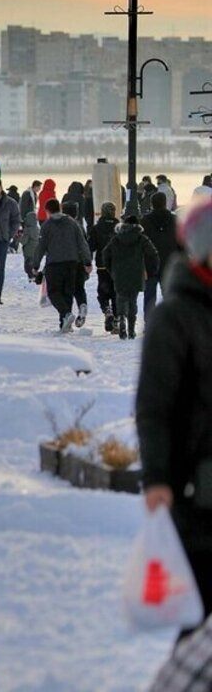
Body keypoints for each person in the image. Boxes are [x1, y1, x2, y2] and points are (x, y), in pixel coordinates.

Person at [135, 198, 212, 640]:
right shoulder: (175, 317)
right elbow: (154, 406)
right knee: (199, 622)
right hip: (196, 492)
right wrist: (159, 479)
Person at [31, 198, 92, 332]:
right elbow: (82, 243)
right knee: (67, 292)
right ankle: (65, 323)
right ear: (60, 208)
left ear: (47, 211)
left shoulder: (47, 226)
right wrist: (87, 261)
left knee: (54, 292)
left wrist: (35, 266)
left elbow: (41, 247)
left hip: (54, 263)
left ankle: (66, 314)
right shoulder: (72, 223)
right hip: (72, 263)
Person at [103, 213, 159, 340]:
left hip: (119, 273)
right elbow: (153, 253)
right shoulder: (141, 238)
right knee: (133, 300)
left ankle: (121, 317)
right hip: (136, 273)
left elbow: (105, 254)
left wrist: (111, 269)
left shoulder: (116, 239)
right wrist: (152, 269)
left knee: (121, 297)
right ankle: (131, 329)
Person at [141, 190, 179, 321]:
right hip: (170, 262)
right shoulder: (175, 220)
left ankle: (149, 321)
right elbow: (182, 242)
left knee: (150, 295)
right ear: (165, 203)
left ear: (152, 204)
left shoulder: (144, 221)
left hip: (150, 262)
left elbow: (141, 243)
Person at [88, 202, 120, 333]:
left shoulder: (96, 228)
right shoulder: (120, 227)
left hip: (102, 265)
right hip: (117, 265)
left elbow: (91, 246)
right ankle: (116, 320)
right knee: (116, 293)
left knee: (103, 291)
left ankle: (107, 310)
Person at [63, 201, 90, 327]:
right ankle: (82, 305)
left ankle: (67, 316)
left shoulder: (63, 226)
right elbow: (84, 245)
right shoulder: (80, 226)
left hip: (68, 262)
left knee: (67, 290)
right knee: (79, 288)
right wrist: (87, 262)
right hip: (80, 263)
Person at [20, 180, 42, 275]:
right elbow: (23, 207)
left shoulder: (33, 194)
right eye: (39, 187)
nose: (39, 189)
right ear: (35, 186)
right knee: (28, 238)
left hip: (31, 219)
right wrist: (24, 219)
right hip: (27, 220)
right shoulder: (27, 194)